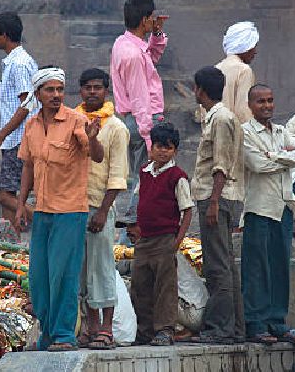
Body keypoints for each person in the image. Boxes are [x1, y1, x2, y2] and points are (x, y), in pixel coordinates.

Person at [15, 66, 104, 352]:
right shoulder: (31, 125)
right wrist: (20, 205)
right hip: (42, 211)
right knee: (39, 279)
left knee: (63, 275)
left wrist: (92, 137)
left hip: (70, 211)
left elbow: (97, 156)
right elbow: (28, 166)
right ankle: (48, 333)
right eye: (49, 90)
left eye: (59, 90)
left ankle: (65, 335)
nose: (56, 95)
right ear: (38, 94)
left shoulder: (76, 120)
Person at [241, 84, 295, 344]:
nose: (267, 105)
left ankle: (277, 322)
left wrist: (273, 155)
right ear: (251, 105)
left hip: (283, 207)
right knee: (257, 267)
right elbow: (257, 164)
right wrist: (283, 158)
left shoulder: (282, 132)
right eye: (261, 101)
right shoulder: (245, 133)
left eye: (270, 100)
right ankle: (256, 324)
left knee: (280, 265)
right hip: (259, 208)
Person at [74, 69, 129, 350]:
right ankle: (89, 327)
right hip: (73, 208)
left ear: (105, 91)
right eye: (87, 87)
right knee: (81, 271)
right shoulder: (73, 122)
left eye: (97, 87)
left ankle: (105, 329)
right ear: (81, 91)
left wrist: (103, 212)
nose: (92, 92)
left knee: (102, 268)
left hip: (99, 208)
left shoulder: (116, 128)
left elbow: (118, 176)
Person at [189, 67, 245, 344]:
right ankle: (235, 328)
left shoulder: (220, 119)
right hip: (220, 197)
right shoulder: (218, 117)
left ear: (200, 89)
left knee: (217, 266)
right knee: (226, 266)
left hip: (217, 197)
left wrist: (213, 201)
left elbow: (220, 164)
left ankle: (220, 329)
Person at [128, 122, 194, 346]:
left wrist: (176, 242)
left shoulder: (178, 176)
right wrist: (134, 227)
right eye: (159, 146)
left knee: (165, 286)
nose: (163, 151)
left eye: (168, 147)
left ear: (174, 150)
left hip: (165, 239)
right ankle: (144, 330)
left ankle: (165, 329)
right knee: (140, 285)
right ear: (151, 147)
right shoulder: (145, 172)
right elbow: (139, 200)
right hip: (144, 239)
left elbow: (187, 211)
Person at [0, 12, 38, 225]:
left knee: (5, 196)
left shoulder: (20, 64)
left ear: (4, 35)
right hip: (13, 140)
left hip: (18, 139)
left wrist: (0, 137)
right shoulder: (14, 62)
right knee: (9, 198)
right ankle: (9, 247)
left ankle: (46, 220)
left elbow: (27, 105)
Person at [110, 0, 168, 187]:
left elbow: (151, 59)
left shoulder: (123, 43)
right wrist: (149, 138)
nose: (154, 20)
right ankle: (133, 216)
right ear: (144, 20)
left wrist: (157, 33)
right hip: (143, 120)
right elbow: (139, 98)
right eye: (151, 17)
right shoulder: (133, 54)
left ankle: (133, 214)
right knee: (146, 177)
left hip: (134, 119)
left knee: (141, 174)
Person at [213, 21, 259, 124]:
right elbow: (243, 112)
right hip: (233, 135)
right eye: (254, 46)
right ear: (246, 46)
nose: (255, 51)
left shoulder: (216, 68)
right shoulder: (244, 71)